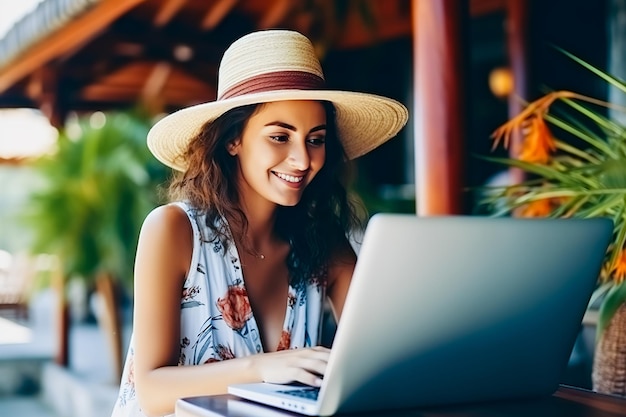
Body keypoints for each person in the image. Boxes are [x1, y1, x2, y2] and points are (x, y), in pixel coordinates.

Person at [111, 29, 408, 417]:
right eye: (280, 136)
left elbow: (380, 354)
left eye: (315, 139)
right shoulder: (174, 231)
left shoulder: (323, 240)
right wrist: (262, 368)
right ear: (233, 139)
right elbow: (150, 391)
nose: (303, 160)